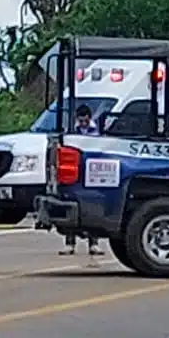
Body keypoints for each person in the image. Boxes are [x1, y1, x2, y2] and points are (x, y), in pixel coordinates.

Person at [64, 104, 103, 257]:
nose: (83, 123)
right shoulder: (72, 131)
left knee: (92, 208)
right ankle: (70, 244)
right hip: (75, 172)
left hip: (91, 172)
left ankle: (94, 244)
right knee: (72, 208)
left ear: (89, 117)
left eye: (85, 120)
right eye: (80, 120)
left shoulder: (97, 131)